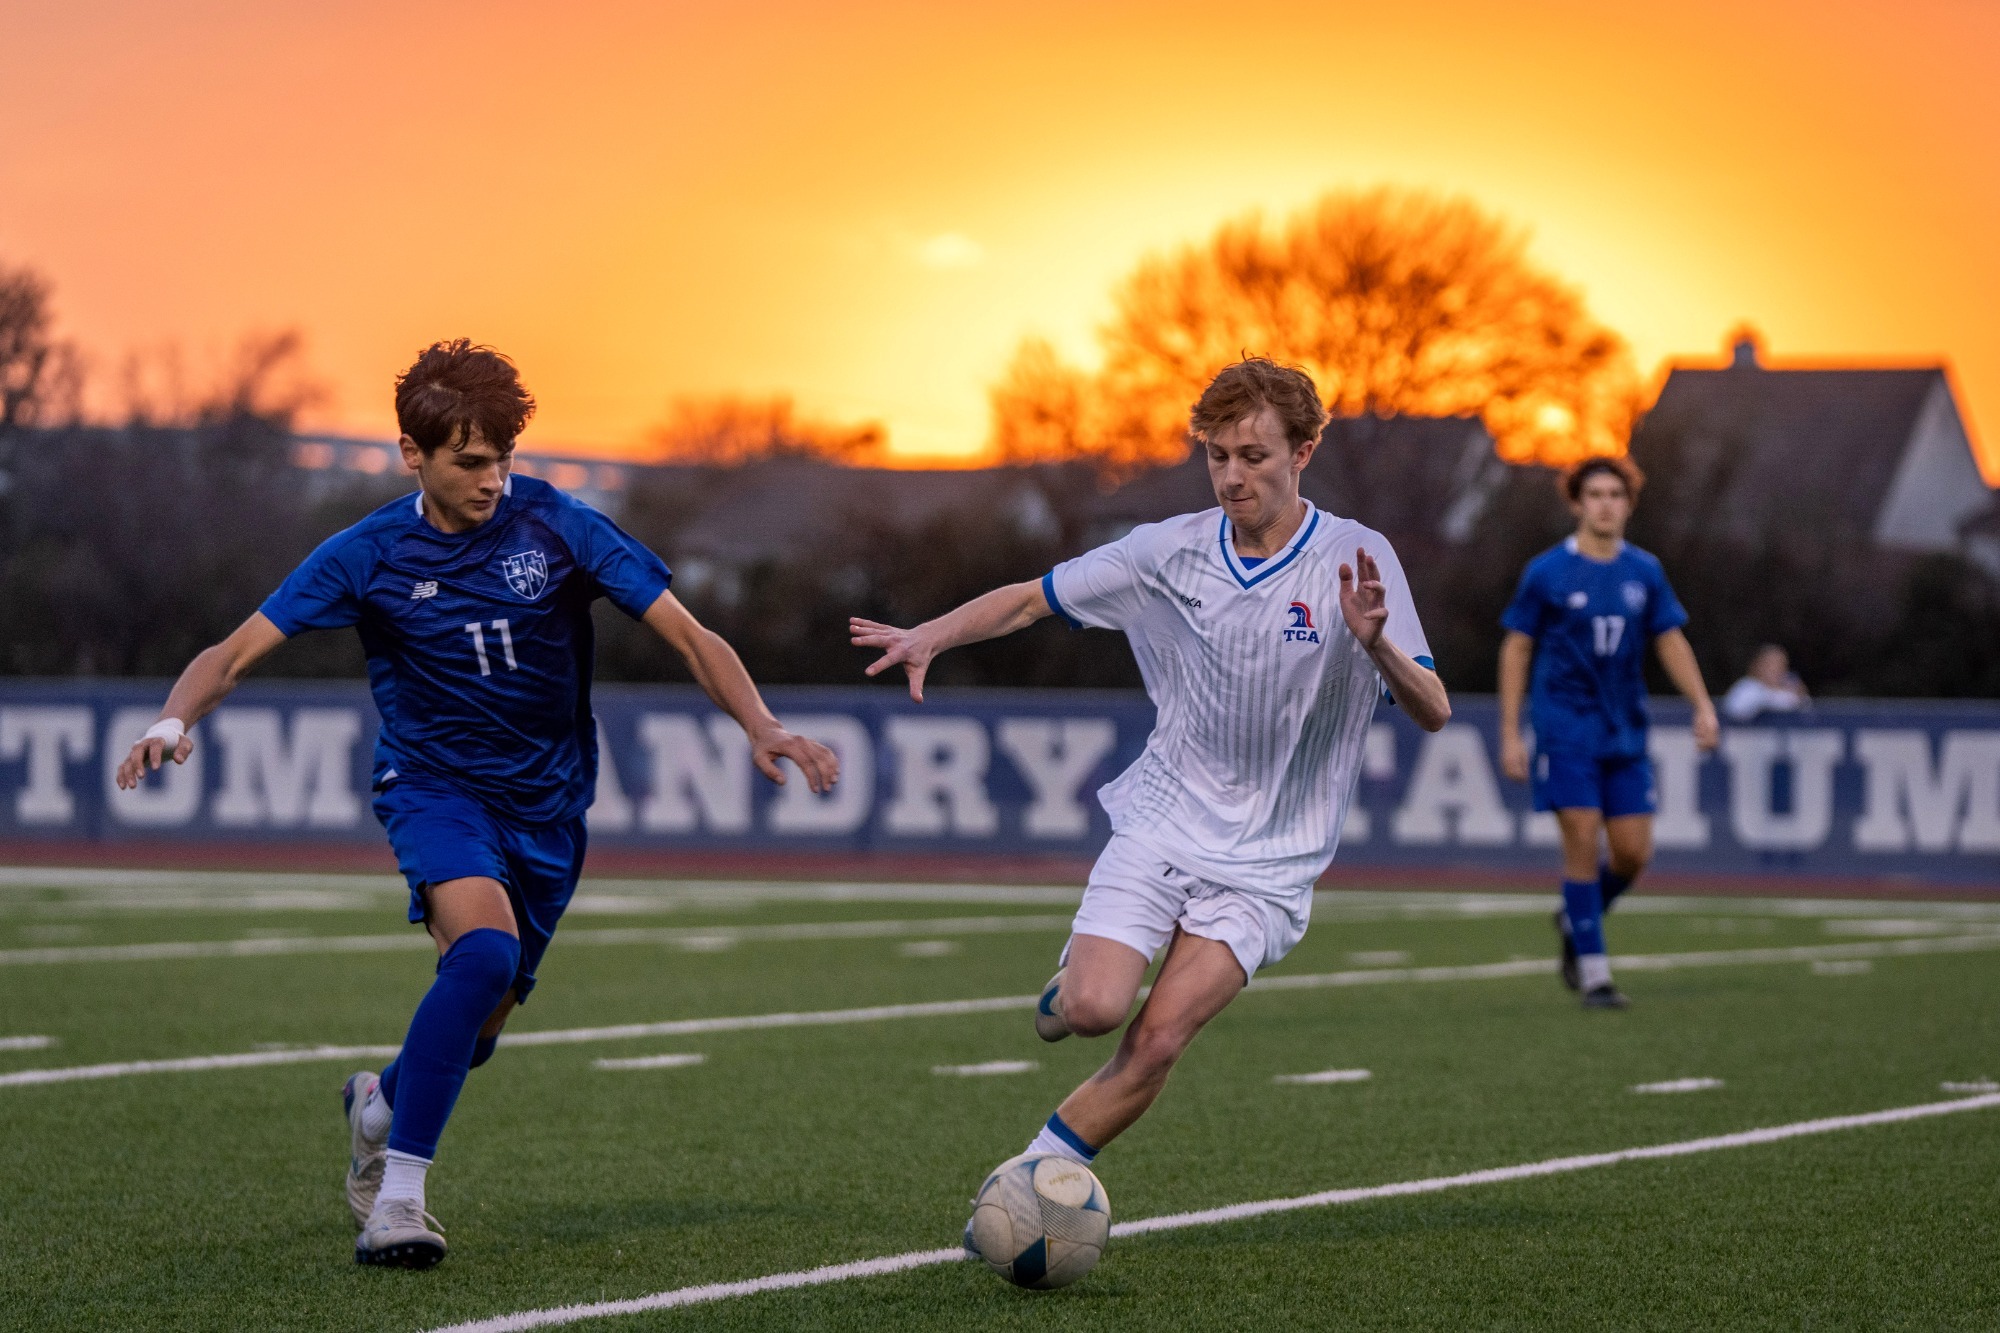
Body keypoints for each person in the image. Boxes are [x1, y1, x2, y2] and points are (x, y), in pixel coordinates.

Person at [114, 340, 837, 1269]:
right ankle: (398, 1200)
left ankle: (379, 1104)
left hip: (551, 806)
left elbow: (690, 637)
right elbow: (232, 653)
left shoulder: (560, 526)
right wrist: (174, 720)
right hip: (434, 788)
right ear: (412, 456)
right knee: (484, 951)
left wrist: (761, 725)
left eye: (502, 457)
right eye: (469, 461)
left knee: (484, 1016)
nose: (492, 478)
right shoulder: (367, 553)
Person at [850, 357, 1448, 1214]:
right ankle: (1067, 987)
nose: (1232, 476)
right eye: (1216, 456)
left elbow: (1432, 709)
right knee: (1093, 1009)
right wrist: (930, 638)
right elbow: (1031, 599)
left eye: (1253, 455)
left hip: (1271, 863)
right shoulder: (1166, 550)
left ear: (1305, 450)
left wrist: (1380, 642)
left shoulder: (1359, 558)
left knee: (1159, 1036)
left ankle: (1021, 1192)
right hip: (1165, 819)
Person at [1496, 456, 1718, 1009]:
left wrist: (1702, 706)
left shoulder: (1644, 571)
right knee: (1581, 832)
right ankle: (1595, 976)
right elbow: (1517, 646)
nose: (1604, 504)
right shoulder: (1546, 572)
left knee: (1632, 855)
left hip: (1624, 731)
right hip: (1565, 725)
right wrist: (1510, 732)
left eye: (1615, 495)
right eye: (1593, 494)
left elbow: (1669, 639)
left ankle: (1577, 915)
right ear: (1576, 503)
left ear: (1628, 503)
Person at [1722, 644, 1810, 721]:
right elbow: (1736, 711)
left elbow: (1807, 713)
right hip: (1749, 738)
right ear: (1758, 665)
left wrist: (1800, 695)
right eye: (1771, 664)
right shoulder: (1747, 686)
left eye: (1780, 665)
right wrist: (1769, 696)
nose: (1776, 670)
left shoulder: (1790, 689)